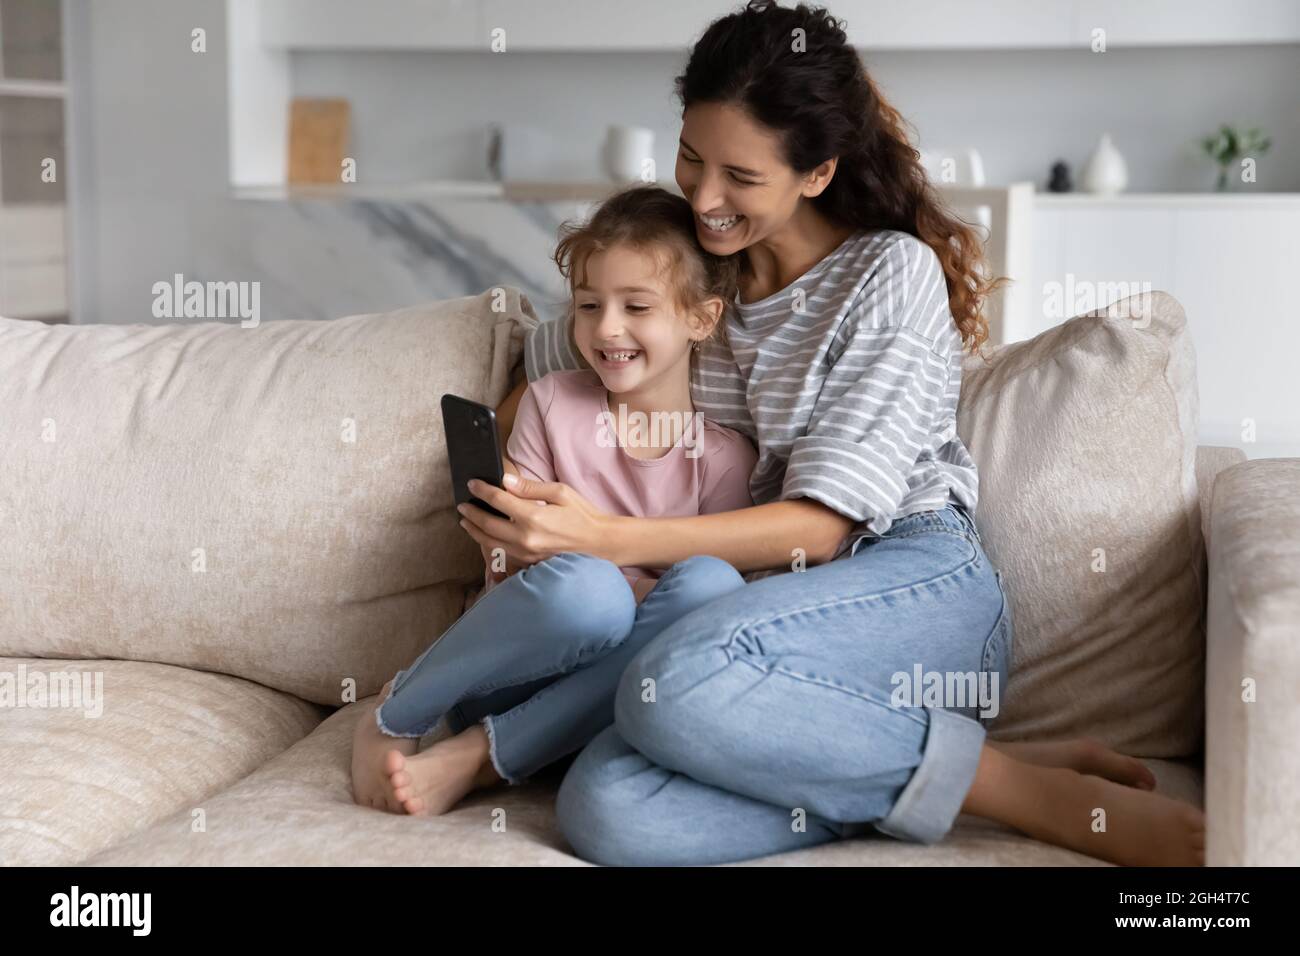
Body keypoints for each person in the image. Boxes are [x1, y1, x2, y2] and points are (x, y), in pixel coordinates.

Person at [462, 1, 1205, 866]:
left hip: (908, 584)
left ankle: (1025, 794)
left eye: (740, 176)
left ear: (815, 173)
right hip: (756, 621)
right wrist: (507, 481)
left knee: (680, 680)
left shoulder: (887, 275)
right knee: (606, 807)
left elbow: (824, 526)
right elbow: (549, 367)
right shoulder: (681, 274)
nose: (704, 198)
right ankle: (910, 755)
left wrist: (604, 536)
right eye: (691, 158)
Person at [350, 185, 759, 816]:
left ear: (701, 320)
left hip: (614, 704)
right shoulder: (551, 403)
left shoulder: (725, 457)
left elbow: (703, 622)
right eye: (589, 305)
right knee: (588, 593)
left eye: (637, 306)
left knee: (712, 586)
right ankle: (394, 712)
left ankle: (483, 760)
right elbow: (521, 572)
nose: (607, 328)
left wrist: (609, 573)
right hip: (512, 678)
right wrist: (510, 537)